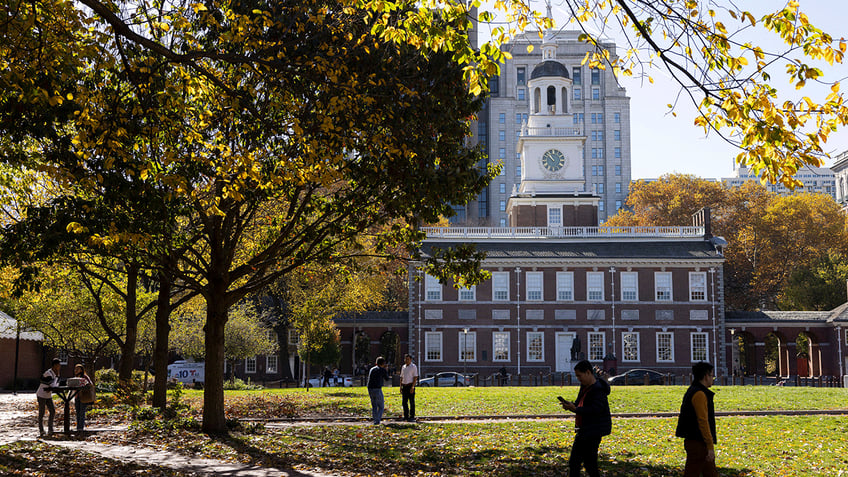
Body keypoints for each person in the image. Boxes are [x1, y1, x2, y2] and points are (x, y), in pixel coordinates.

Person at [560, 359, 612, 477]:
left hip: (593, 431)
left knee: (588, 464)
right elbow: (580, 403)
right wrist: (571, 405)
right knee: (575, 463)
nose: (578, 378)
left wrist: (575, 409)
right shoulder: (584, 386)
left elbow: (595, 410)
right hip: (584, 429)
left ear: (588, 372)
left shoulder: (598, 389)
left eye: (580, 375)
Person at [676, 361, 717, 477]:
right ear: (705, 376)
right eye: (711, 375)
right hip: (698, 443)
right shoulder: (700, 394)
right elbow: (703, 421)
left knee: (710, 473)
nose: (712, 378)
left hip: (696, 442)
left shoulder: (693, 390)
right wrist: (710, 446)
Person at [36, 358, 61, 437]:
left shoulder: (54, 373)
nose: (59, 367)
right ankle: (41, 430)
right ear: (55, 365)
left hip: (48, 395)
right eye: (58, 365)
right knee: (42, 412)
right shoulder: (48, 373)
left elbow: (54, 384)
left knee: (52, 411)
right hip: (41, 395)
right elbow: (51, 384)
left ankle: (50, 429)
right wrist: (56, 377)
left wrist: (57, 375)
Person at [366, 356, 389, 424]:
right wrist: (386, 370)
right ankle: (377, 420)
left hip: (370, 388)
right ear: (383, 364)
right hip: (377, 389)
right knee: (381, 406)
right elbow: (387, 379)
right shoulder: (382, 370)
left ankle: (375, 419)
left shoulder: (372, 369)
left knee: (374, 406)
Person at [73, 364, 95, 431]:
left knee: (82, 412)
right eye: (75, 369)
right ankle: (78, 427)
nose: (76, 370)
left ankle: (80, 428)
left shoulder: (85, 377)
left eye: (77, 369)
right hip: (77, 396)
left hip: (84, 397)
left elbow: (90, 385)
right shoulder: (75, 378)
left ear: (81, 370)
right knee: (78, 412)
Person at [399, 354, 418, 422]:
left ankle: (412, 416)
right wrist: (400, 386)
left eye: (408, 359)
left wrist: (413, 386)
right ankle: (406, 416)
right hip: (404, 386)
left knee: (411, 402)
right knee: (404, 402)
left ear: (411, 360)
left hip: (410, 385)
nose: (406, 360)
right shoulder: (403, 367)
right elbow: (401, 377)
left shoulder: (413, 367)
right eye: (405, 359)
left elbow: (415, 377)